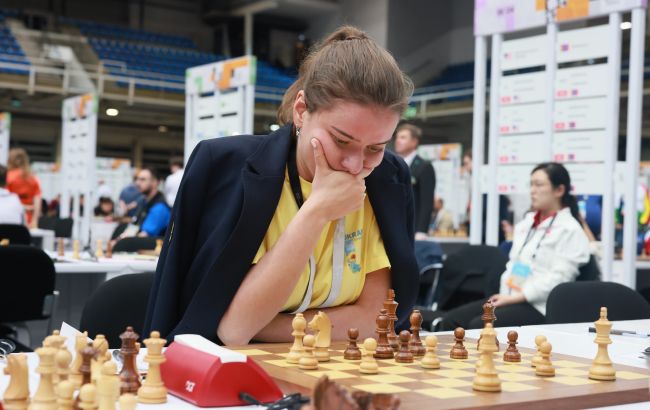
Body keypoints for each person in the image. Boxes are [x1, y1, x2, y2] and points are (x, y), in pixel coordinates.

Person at [144, 26, 419, 346]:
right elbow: (235, 330)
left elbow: (376, 318)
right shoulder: (226, 166)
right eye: (341, 141)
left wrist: (271, 326)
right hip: (239, 369)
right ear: (301, 111)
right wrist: (316, 212)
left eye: (375, 147)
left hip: (339, 364)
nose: (355, 165)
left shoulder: (388, 178)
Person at [440, 162, 590, 330]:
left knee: (480, 325)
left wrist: (515, 298)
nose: (532, 190)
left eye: (539, 185)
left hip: (540, 306)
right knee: (452, 320)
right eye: (531, 184)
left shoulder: (570, 229)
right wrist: (505, 296)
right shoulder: (527, 223)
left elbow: (558, 280)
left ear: (559, 190)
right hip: (511, 297)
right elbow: (514, 264)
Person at [393, 123, 435, 240]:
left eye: (403, 137)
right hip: (393, 226)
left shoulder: (424, 166)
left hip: (413, 228)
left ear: (414, 142)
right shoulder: (392, 164)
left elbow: (427, 202)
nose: (398, 141)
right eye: (397, 137)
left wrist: (421, 230)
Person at [6, 148, 42, 228]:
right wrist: (34, 221)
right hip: (28, 220)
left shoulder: (8, 177)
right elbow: (37, 202)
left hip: (10, 219)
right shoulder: (33, 179)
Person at [134, 167, 170, 237]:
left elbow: (144, 236)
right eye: (137, 179)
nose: (137, 183)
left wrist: (123, 241)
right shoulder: (144, 202)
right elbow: (135, 224)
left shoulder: (159, 208)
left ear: (155, 182)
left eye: (142, 179)